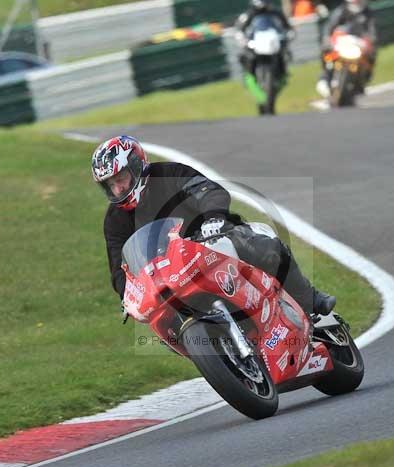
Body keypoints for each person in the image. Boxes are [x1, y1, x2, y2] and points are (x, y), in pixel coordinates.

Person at [92, 135, 336, 317]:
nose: (118, 189)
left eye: (120, 179)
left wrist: (213, 217)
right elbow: (118, 267)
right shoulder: (115, 219)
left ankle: (309, 299)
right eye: (110, 185)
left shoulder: (170, 173)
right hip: (169, 274)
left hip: (211, 239)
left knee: (265, 249)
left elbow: (207, 190)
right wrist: (128, 295)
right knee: (158, 316)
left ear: (136, 167)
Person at [316, 0, 378, 98]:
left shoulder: (367, 13)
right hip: (342, 42)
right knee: (327, 54)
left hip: (359, 44)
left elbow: (372, 31)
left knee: (371, 56)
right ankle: (325, 77)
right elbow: (330, 27)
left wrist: (370, 42)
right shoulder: (341, 11)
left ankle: (364, 79)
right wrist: (328, 38)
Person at [234, 0, 295, 81]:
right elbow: (240, 28)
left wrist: (289, 33)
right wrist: (241, 37)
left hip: (273, 40)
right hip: (256, 41)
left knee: (284, 52)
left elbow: (287, 26)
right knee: (246, 55)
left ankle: (283, 72)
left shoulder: (275, 12)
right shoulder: (249, 14)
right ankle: (250, 72)